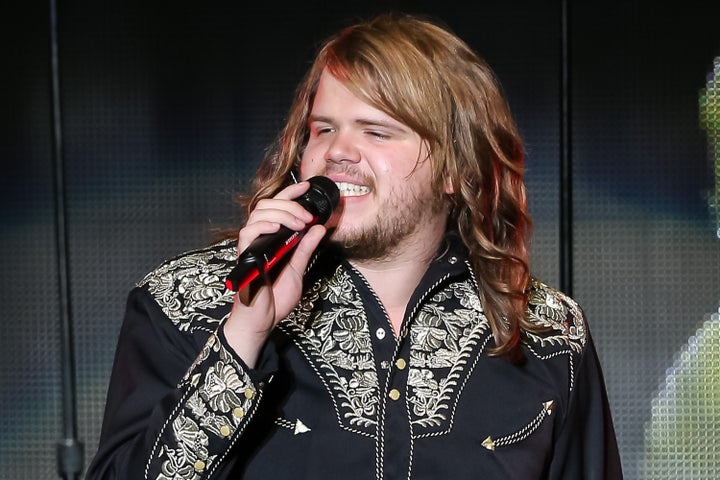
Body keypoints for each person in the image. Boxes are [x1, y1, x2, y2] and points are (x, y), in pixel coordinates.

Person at [86, 12, 623, 479]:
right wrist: (242, 339)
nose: (338, 152)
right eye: (322, 130)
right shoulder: (186, 301)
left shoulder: (548, 331)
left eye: (377, 131)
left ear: (455, 170)